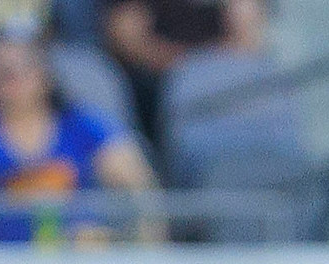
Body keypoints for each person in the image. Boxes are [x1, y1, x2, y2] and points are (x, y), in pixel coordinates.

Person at [0, 33, 156, 244]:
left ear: (45, 75)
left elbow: (140, 192)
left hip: (77, 256)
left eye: (22, 70)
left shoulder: (83, 125)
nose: (11, 81)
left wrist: (119, 240)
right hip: (1, 261)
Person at [102, 0, 264, 158]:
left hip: (221, 83)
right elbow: (127, 40)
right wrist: (188, 68)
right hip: (152, 87)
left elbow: (246, 42)